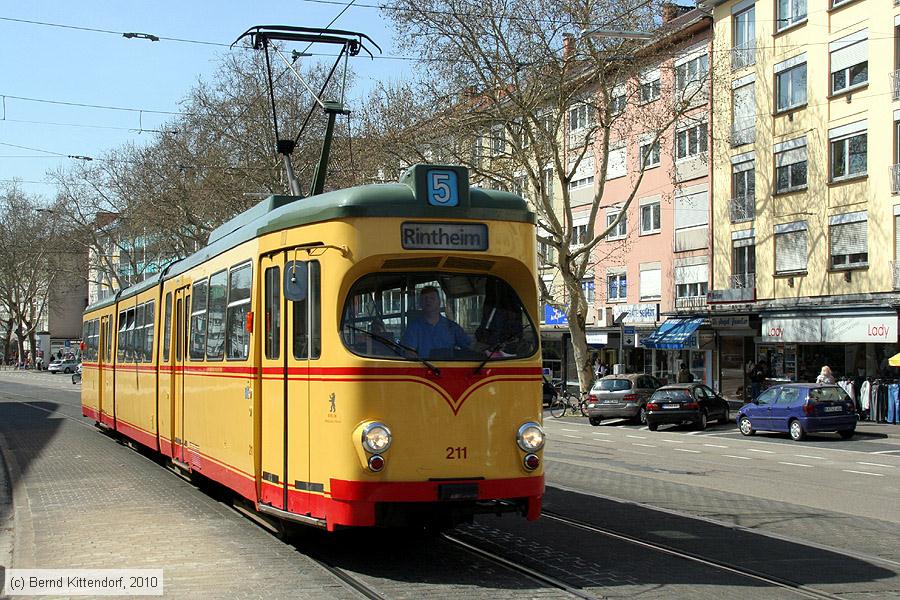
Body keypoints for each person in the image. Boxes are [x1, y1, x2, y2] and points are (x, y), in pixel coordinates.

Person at [401, 286, 472, 359]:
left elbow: (469, 347)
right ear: (420, 304)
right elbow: (409, 354)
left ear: (439, 302)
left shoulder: (452, 327)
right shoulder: (413, 328)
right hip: (423, 368)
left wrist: (481, 347)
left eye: (432, 298)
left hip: (449, 368)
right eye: (424, 299)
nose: (428, 301)